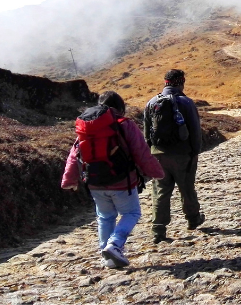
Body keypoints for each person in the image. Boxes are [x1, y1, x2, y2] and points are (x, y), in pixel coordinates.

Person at [61, 91, 165, 269]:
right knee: (131, 213)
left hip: (94, 182)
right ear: (120, 107)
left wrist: (69, 179)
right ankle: (114, 245)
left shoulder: (87, 127)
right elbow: (141, 152)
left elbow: (74, 155)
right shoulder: (124, 124)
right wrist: (156, 172)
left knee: (105, 217)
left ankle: (107, 256)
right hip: (121, 182)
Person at [144, 69, 204, 243]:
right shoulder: (186, 102)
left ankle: (158, 229)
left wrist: (152, 153)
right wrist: (195, 151)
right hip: (182, 154)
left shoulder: (152, 102)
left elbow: (147, 134)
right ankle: (193, 219)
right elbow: (195, 131)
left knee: (161, 191)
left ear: (165, 82)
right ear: (181, 82)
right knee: (186, 188)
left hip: (158, 155)